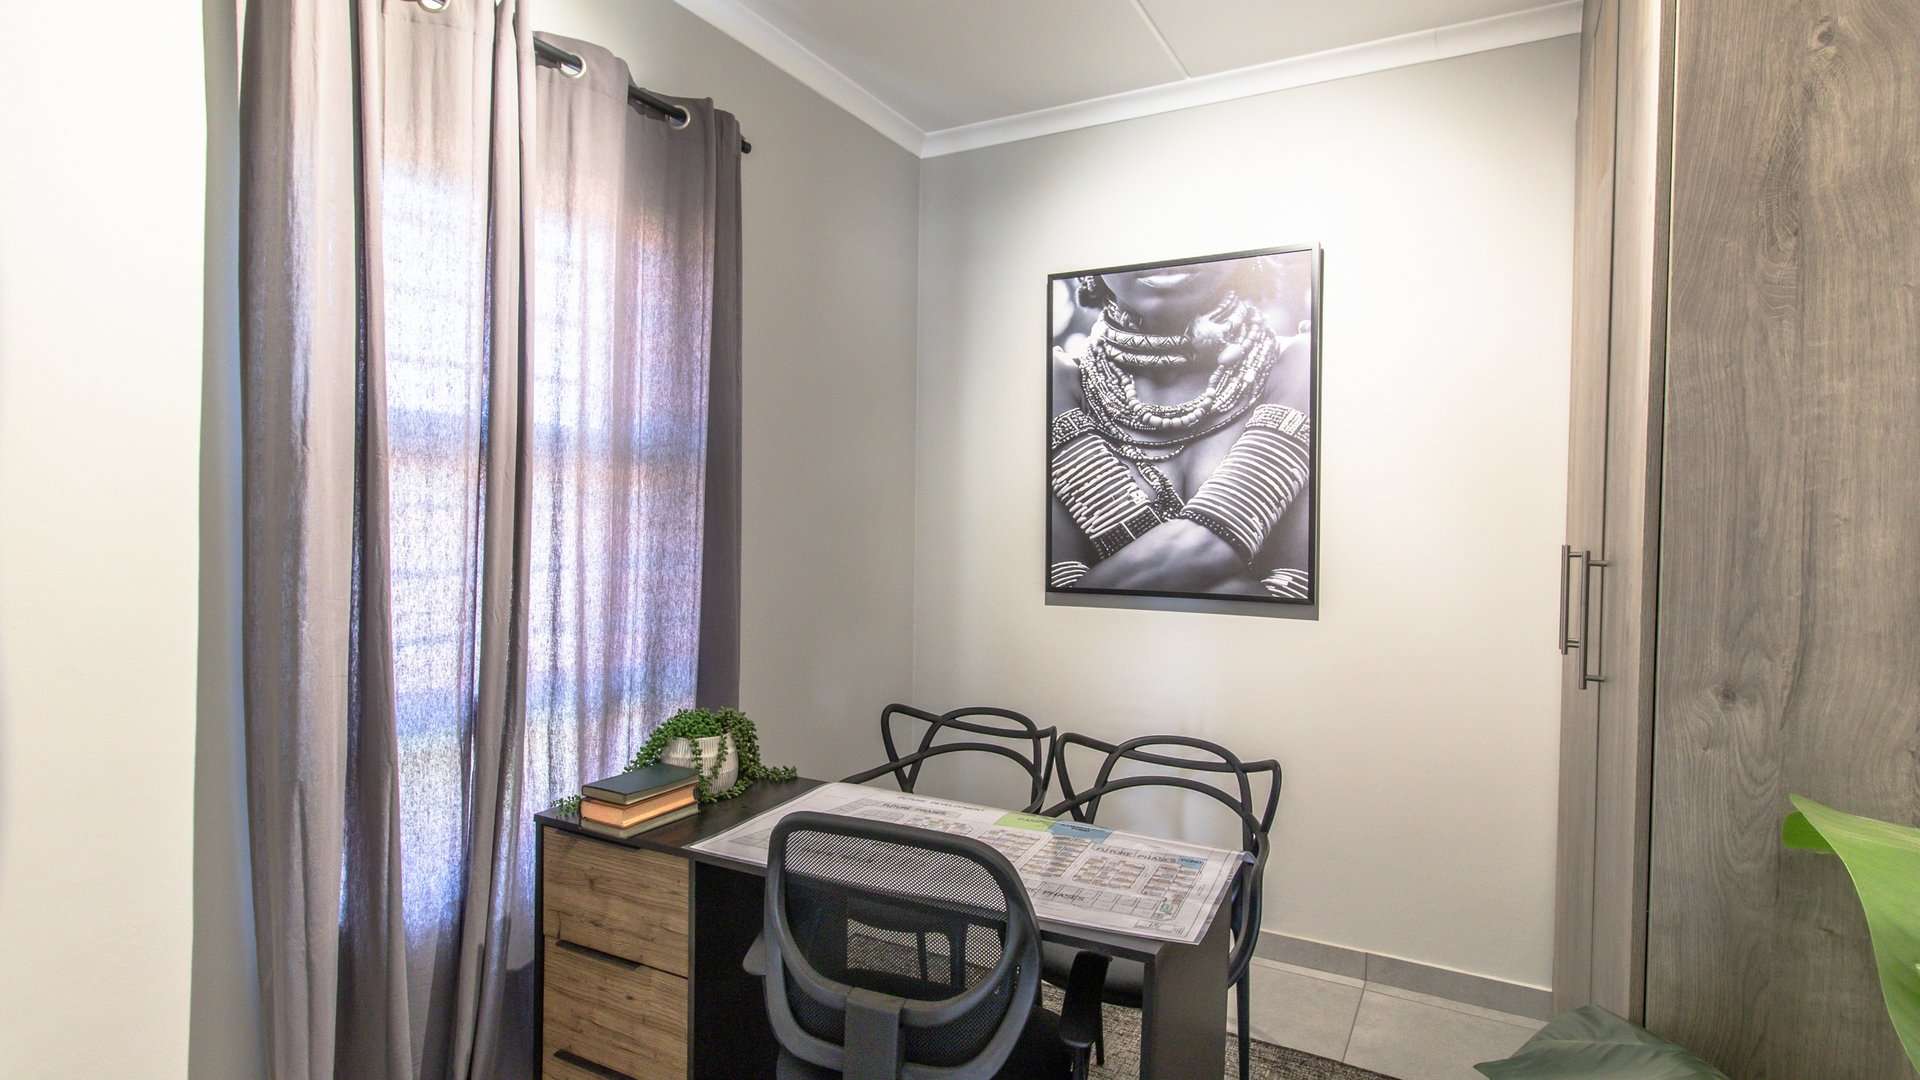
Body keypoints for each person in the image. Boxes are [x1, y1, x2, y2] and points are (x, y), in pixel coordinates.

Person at [1048, 255, 1313, 600]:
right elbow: (1054, 590)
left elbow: (1292, 589)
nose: (1161, 261)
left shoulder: (1302, 366)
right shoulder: (1056, 384)